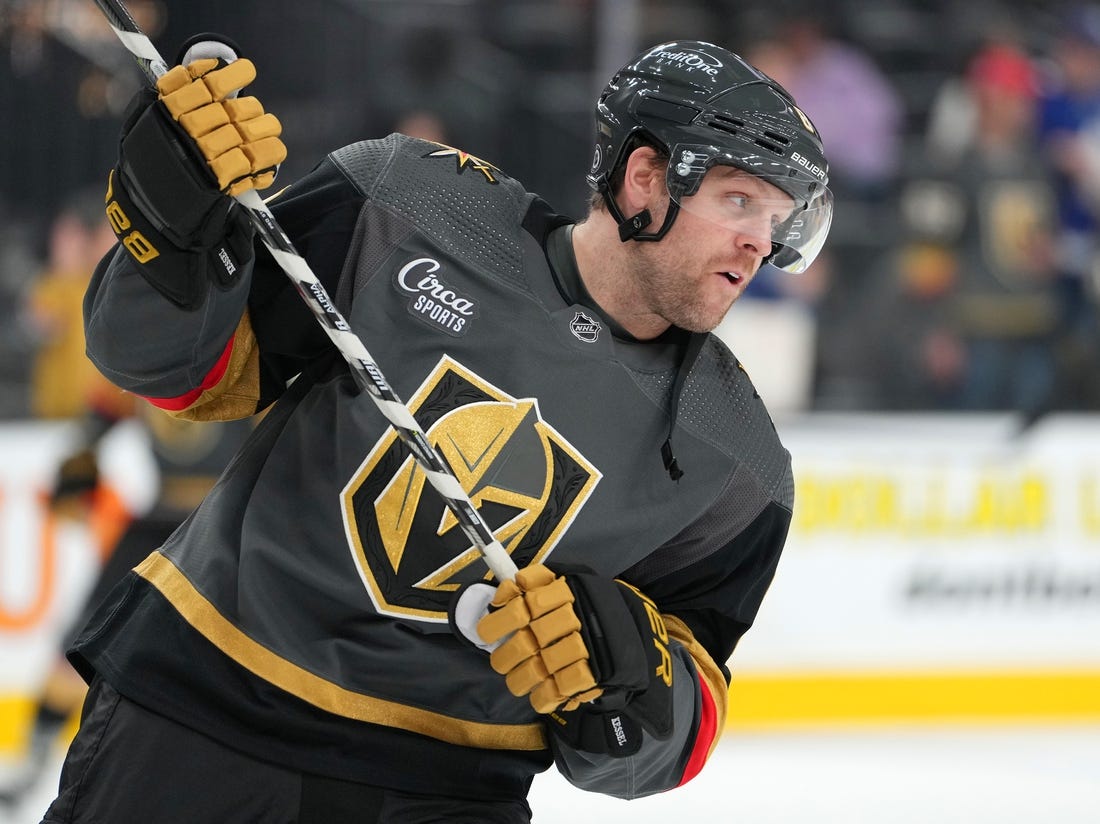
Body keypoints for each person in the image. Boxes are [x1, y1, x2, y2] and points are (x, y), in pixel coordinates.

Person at [43, 36, 832, 823]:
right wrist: (173, 235)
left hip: (443, 790)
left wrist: (629, 677)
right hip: (198, 708)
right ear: (646, 178)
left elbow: (675, 731)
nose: (761, 243)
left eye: (775, 218)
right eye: (739, 202)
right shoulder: (405, 206)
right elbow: (180, 377)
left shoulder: (737, 466)